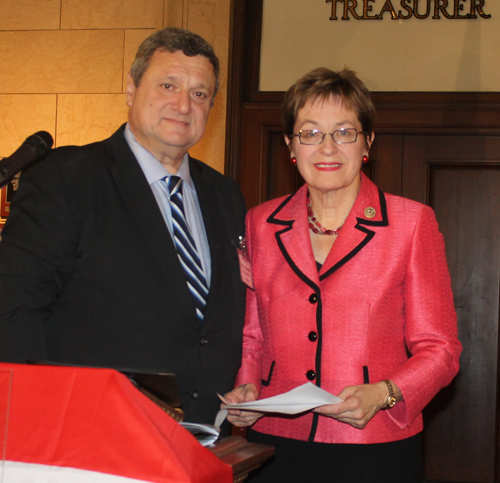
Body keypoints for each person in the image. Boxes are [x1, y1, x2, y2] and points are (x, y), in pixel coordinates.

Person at [0, 27, 247, 427]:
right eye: (169, 85)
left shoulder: (226, 194)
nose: (183, 105)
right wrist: (34, 419)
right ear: (131, 89)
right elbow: (14, 310)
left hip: (205, 438)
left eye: (200, 94)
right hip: (92, 434)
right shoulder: (67, 177)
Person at [224, 68, 462, 482]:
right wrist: (247, 389)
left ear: (367, 142)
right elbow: (253, 334)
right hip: (276, 442)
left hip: (374, 444)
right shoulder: (261, 224)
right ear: (290, 145)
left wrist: (385, 393)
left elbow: (440, 349)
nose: (327, 147)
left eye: (344, 132)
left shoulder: (410, 224)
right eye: (310, 133)